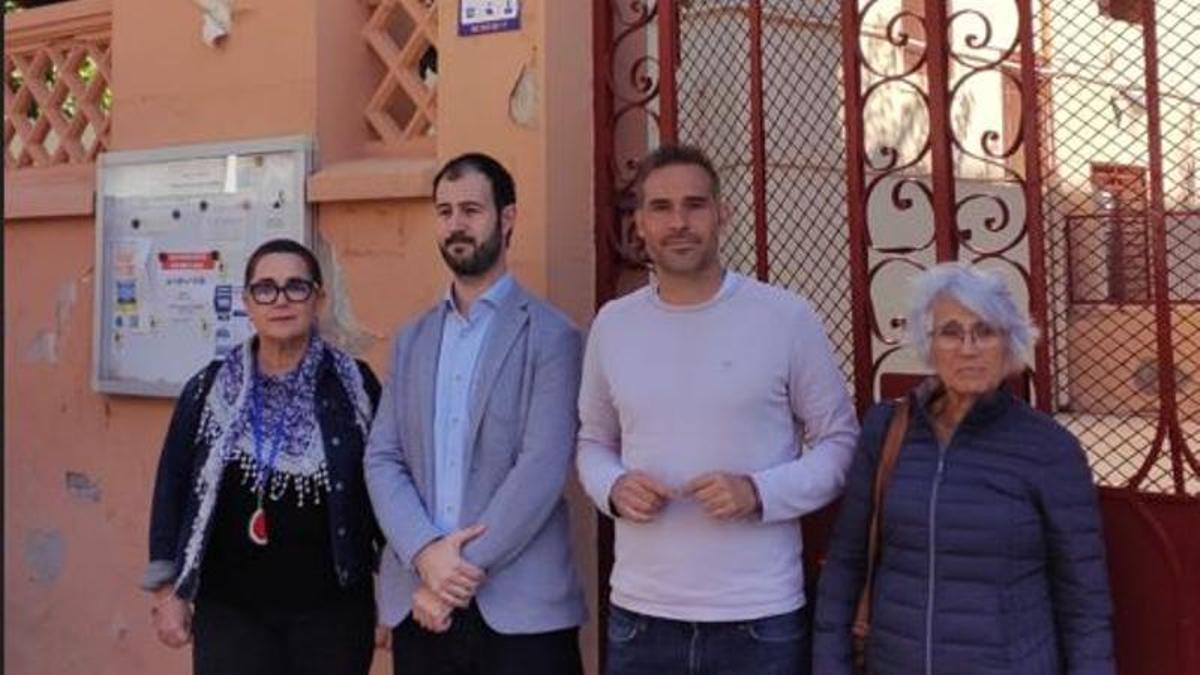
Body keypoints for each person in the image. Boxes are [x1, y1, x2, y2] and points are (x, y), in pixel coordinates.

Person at [576, 144, 859, 675]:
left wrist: (759, 493)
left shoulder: (785, 318)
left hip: (759, 617)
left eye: (694, 205)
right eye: (660, 208)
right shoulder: (613, 326)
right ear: (639, 223)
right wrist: (612, 487)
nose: (679, 222)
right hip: (641, 617)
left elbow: (840, 444)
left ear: (722, 213)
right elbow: (593, 441)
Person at [813, 262, 1115, 674]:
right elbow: (847, 561)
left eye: (986, 331)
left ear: (1009, 344)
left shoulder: (1049, 448)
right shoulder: (886, 430)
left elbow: (1084, 600)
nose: (968, 348)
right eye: (951, 332)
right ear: (928, 343)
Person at [365, 152, 587, 674]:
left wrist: (455, 574)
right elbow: (382, 457)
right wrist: (424, 554)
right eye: (444, 212)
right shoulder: (412, 339)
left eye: (471, 209)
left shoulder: (553, 336)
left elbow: (542, 469)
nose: (456, 225)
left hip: (522, 615)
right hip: (421, 605)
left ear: (506, 218)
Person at [142, 238, 383, 675]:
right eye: (265, 288)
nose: (281, 300)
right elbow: (172, 484)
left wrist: (398, 591)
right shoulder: (208, 389)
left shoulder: (354, 386)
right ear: (247, 302)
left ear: (319, 299)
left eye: (297, 287)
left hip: (333, 616)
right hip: (232, 615)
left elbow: (385, 480)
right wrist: (166, 591)